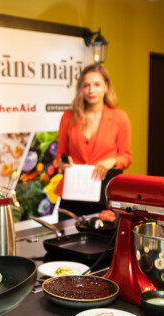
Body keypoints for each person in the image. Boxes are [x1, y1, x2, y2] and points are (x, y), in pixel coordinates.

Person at [55, 63, 131, 218]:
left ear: (106, 86)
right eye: (86, 85)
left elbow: (126, 157)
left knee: (102, 241)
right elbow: (59, 157)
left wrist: (112, 161)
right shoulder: (68, 117)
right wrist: (63, 163)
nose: (91, 90)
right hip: (72, 195)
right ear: (81, 89)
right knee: (66, 240)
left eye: (97, 84)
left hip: (104, 197)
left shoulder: (120, 118)